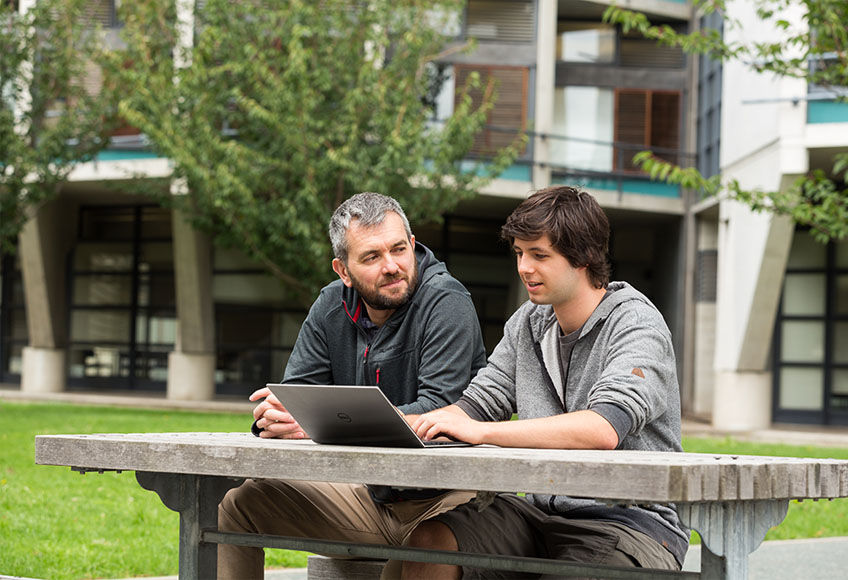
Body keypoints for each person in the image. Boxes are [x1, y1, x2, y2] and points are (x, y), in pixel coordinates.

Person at [398, 185, 689, 579]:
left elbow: (603, 429)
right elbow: (475, 405)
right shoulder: (528, 324)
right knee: (427, 544)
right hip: (539, 513)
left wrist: (482, 433)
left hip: (629, 522)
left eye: (539, 255)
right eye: (519, 253)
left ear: (584, 257)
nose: (524, 268)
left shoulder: (636, 324)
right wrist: (405, 423)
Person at [217, 192, 486, 579]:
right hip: (369, 495)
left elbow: (438, 413)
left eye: (398, 249)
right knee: (238, 506)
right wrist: (275, 418)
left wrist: (320, 423)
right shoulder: (330, 305)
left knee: (413, 562)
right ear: (343, 270)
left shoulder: (447, 301)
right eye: (372, 257)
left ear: (412, 245)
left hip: (446, 501)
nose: (392, 266)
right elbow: (298, 398)